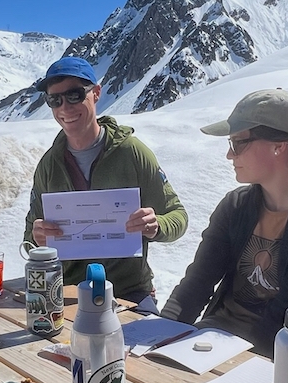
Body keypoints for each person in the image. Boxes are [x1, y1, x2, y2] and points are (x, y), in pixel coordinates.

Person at [162, 89, 288, 353]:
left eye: (238, 143)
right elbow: (198, 281)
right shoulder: (236, 206)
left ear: (278, 146)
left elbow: (286, 315)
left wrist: (227, 361)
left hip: (269, 355)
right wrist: (160, 332)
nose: (230, 155)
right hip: (210, 342)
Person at [25, 57, 188, 310]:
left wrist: (156, 225)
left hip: (130, 294)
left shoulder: (132, 152)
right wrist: (38, 239)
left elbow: (178, 217)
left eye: (75, 95)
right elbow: (29, 237)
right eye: (54, 100)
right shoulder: (49, 165)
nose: (65, 108)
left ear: (96, 93)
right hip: (69, 296)